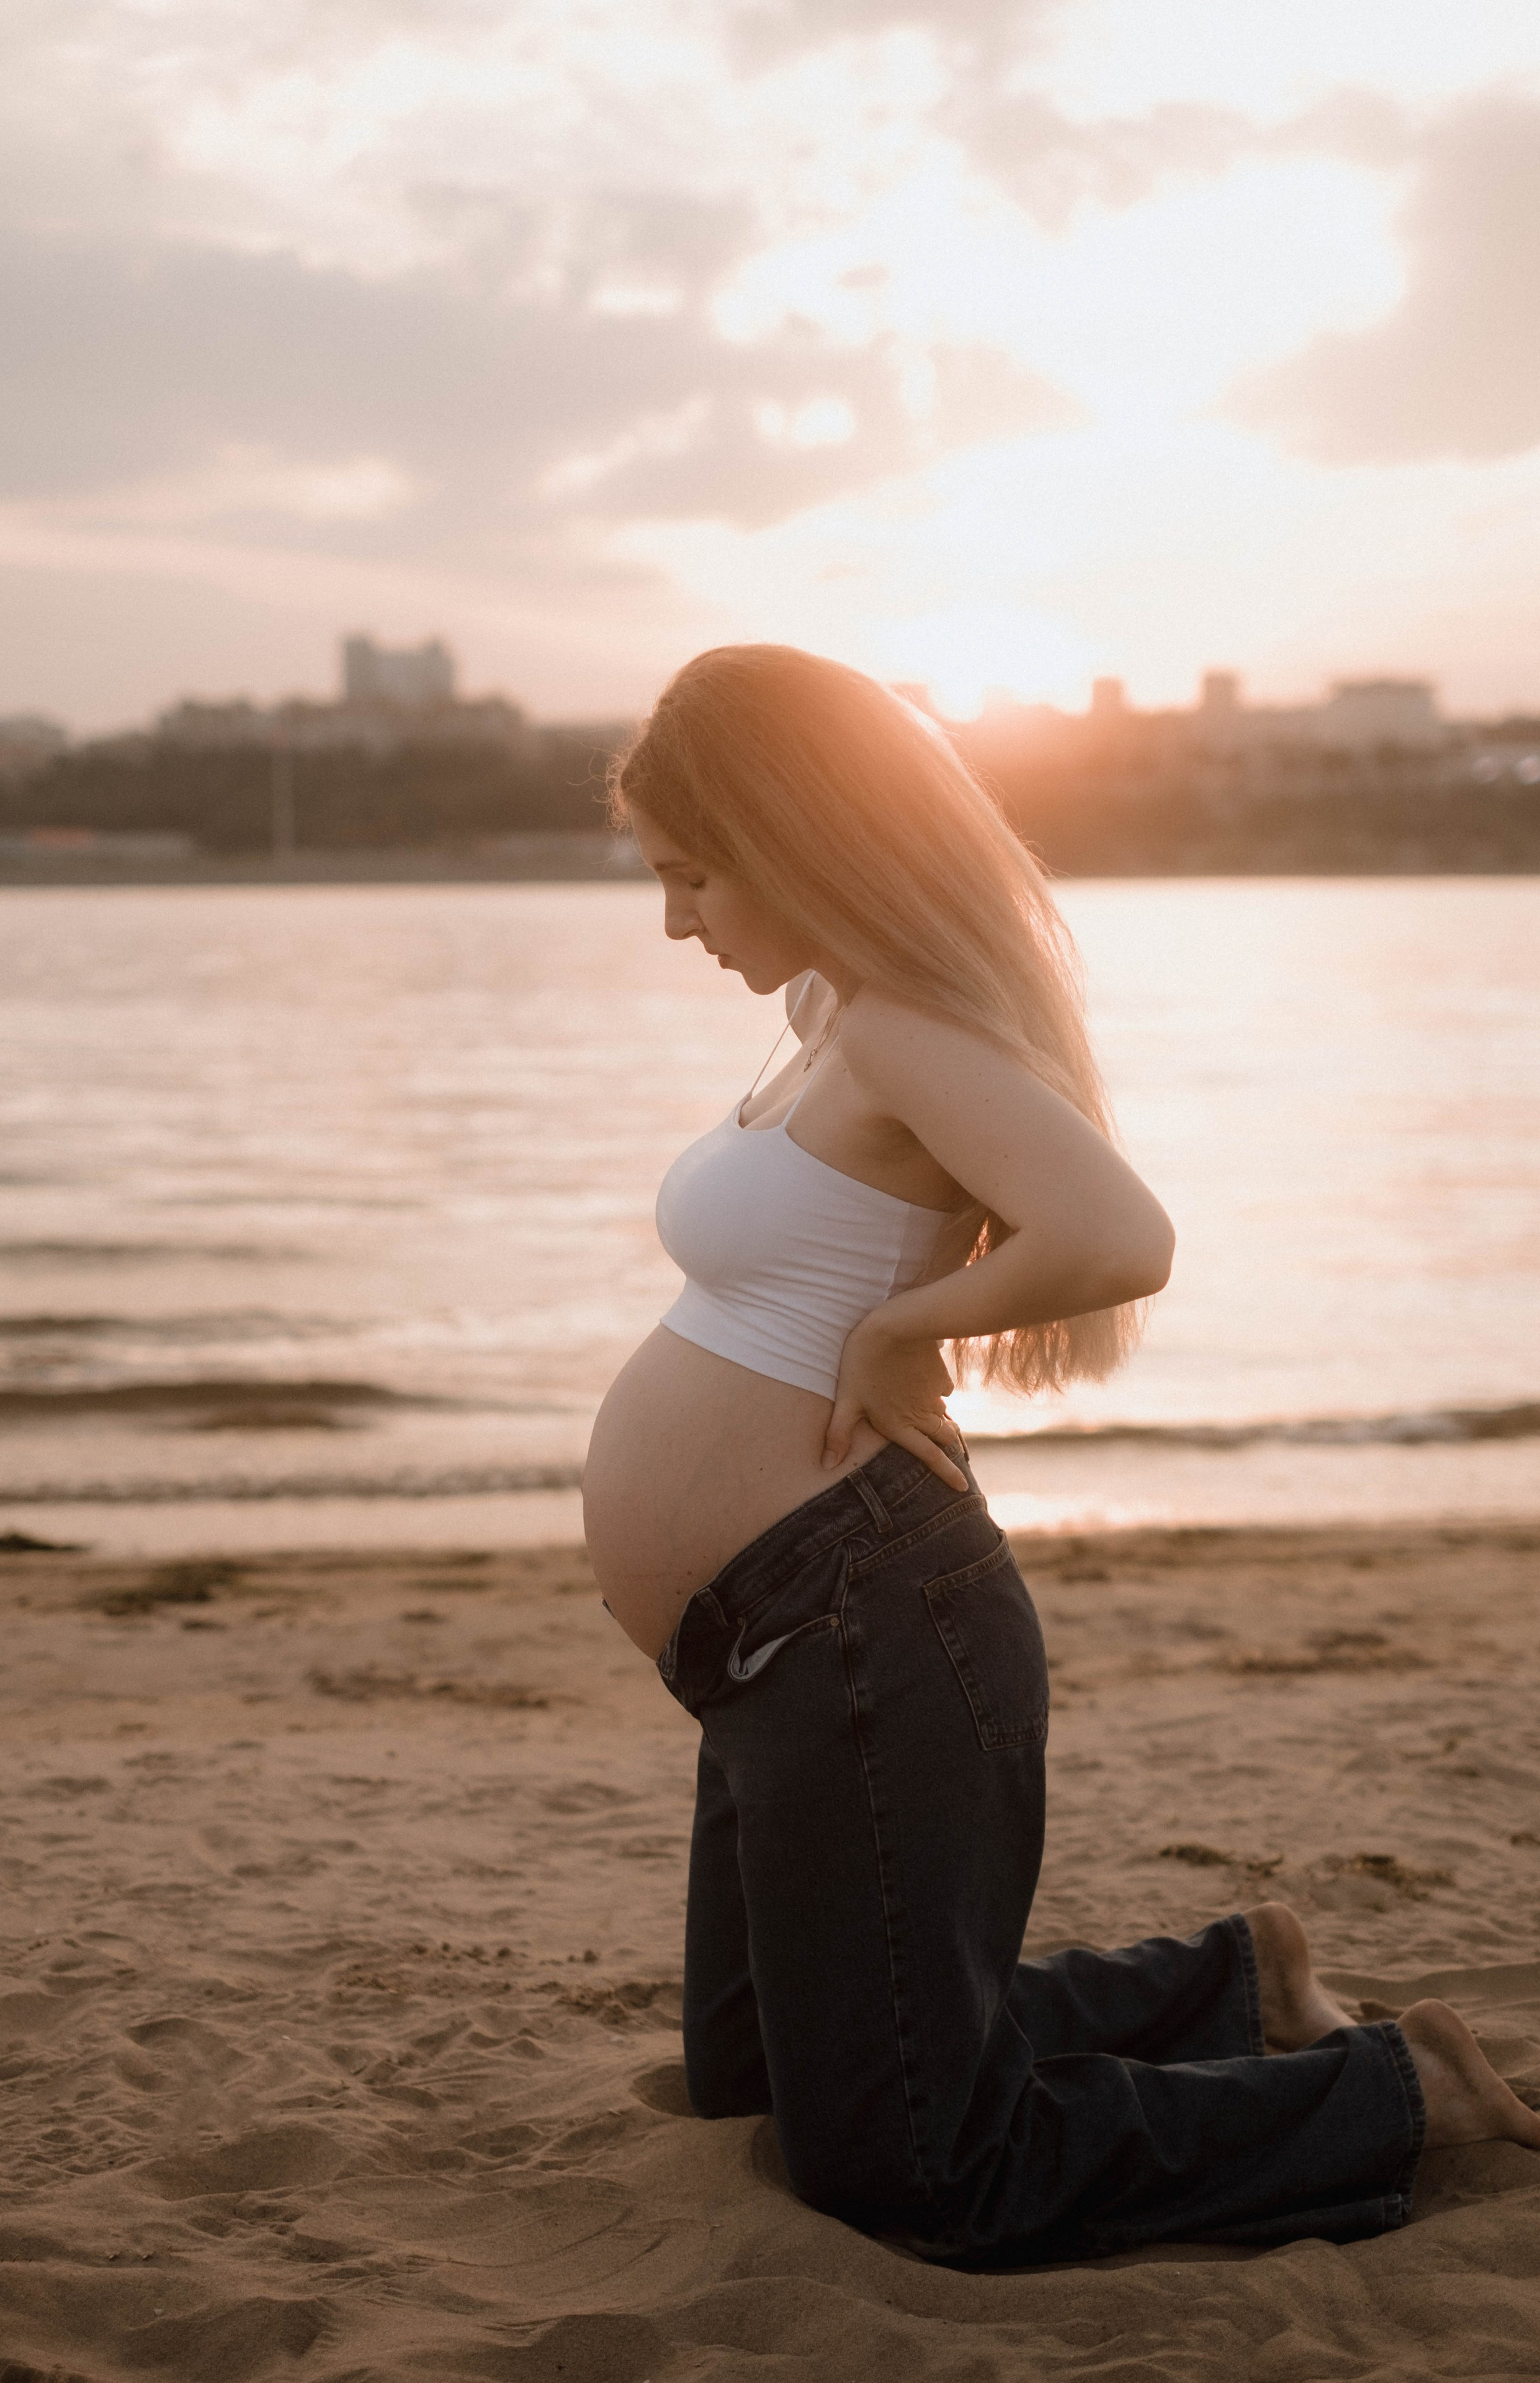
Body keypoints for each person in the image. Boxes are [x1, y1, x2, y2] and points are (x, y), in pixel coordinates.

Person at [580, 643, 1540, 2266]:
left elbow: (1116, 1230)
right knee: (754, 2077)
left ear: (798, 841)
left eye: (695, 876)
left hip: (865, 1628)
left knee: (921, 2177)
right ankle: (1235, 1987)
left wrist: (896, 1337)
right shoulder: (823, 1011)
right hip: (765, 1645)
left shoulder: (893, 1028)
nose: (679, 923)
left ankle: (1397, 2100)